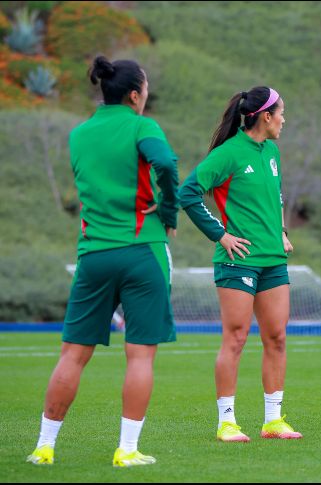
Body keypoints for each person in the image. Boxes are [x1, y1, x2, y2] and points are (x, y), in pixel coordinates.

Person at [27, 56, 179, 467]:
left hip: (92, 255)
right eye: (145, 90)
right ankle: (127, 450)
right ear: (135, 94)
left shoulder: (79, 134)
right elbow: (164, 163)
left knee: (72, 354)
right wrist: (167, 212)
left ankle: (44, 446)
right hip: (141, 252)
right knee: (140, 355)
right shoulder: (142, 125)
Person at [179, 86, 302, 443]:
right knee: (235, 339)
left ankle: (273, 421)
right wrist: (220, 235)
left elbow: (273, 196)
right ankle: (227, 422)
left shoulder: (273, 151)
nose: (284, 119)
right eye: (281, 113)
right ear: (265, 116)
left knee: (277, 338)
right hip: (238, 261)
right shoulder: (229, 153)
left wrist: (279, 231)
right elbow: (189, 192)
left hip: (273, 261)